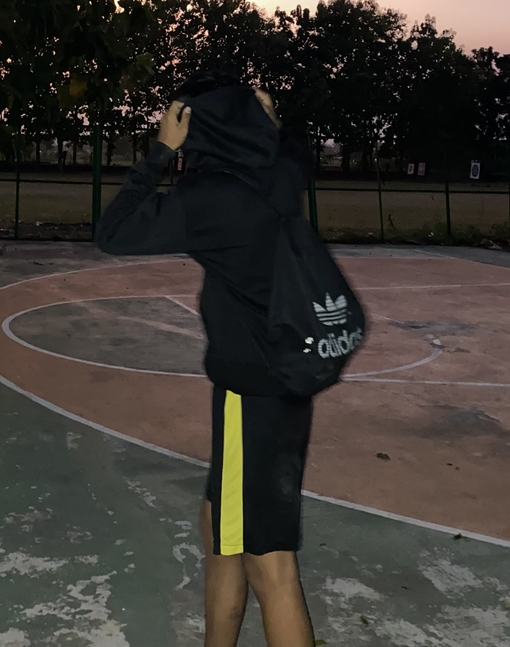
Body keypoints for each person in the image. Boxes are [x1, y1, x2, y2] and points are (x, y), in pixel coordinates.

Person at [96, 69, 316, 647]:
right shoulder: (279, 177)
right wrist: (266, 117)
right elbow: (290, 148)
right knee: (220, 534)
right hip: (280, 385)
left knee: (272, 569)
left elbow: (113, 232)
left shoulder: (211, 199)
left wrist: (160, 152)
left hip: (252, 393)